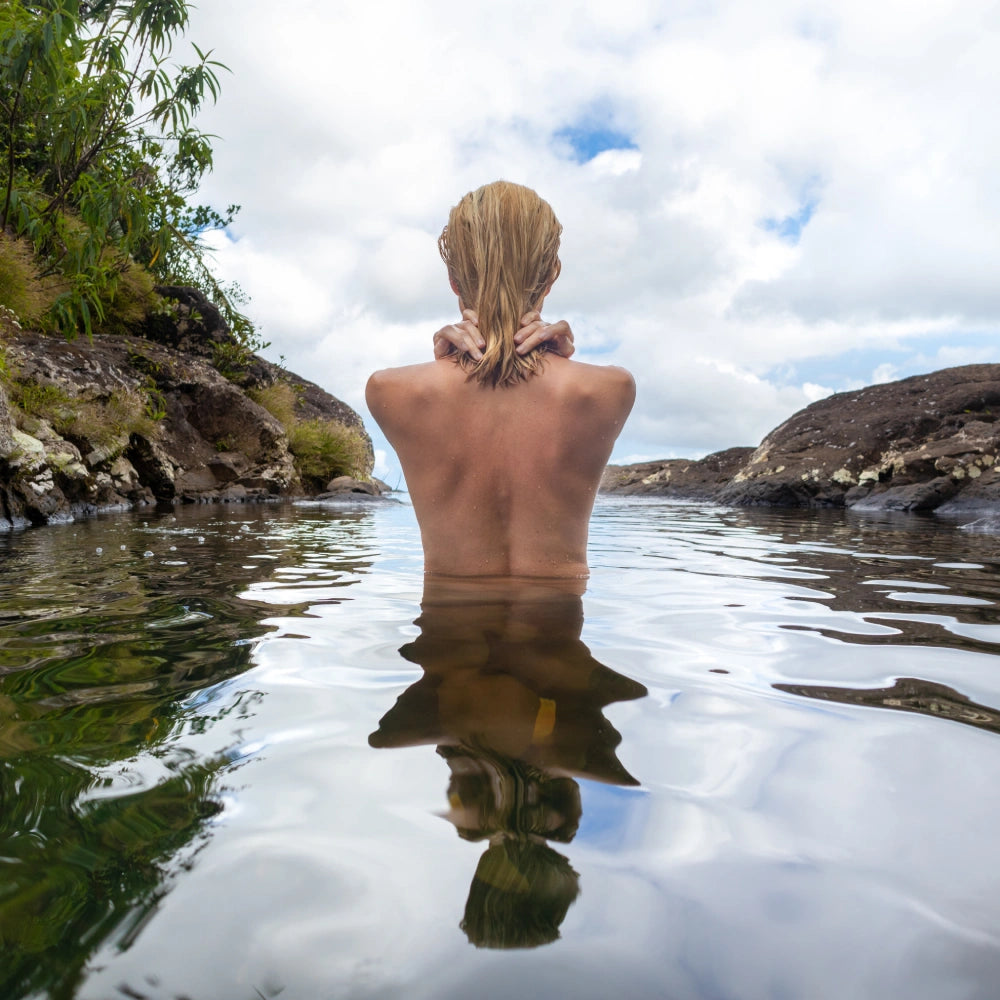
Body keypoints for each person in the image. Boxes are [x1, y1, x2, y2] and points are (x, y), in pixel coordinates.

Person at [366, 181, 634, 579]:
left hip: (447, 635)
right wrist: (565, 359)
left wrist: (440, 363)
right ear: (549, 280)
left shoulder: (391, 391)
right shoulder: (609, 391)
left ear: (454, 282)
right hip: (556, 635)